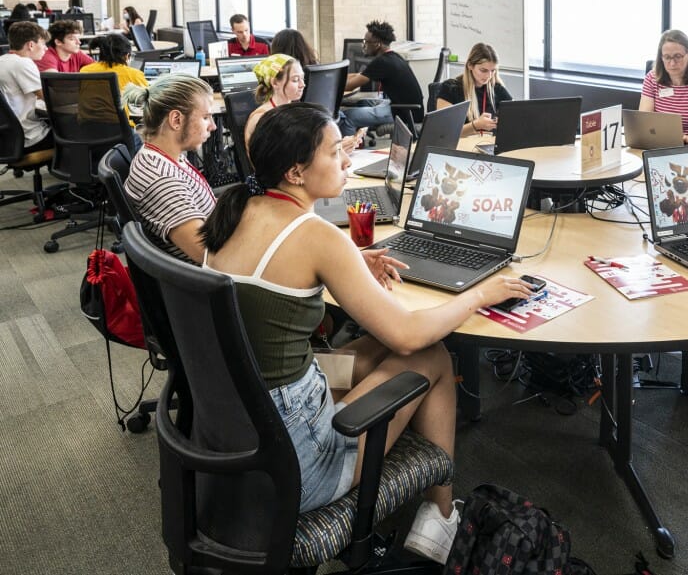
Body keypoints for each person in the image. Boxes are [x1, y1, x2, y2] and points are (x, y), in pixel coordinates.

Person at [199, 102, 533, 563]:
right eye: (335, 152)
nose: (347, 160)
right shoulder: (316, 235)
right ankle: (440, 519)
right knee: (432, 355)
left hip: (240, 413)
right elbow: (408, 334)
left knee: (374, 347)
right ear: (296, 172)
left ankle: (436, 515)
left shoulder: (236, 208)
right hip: (294, 457)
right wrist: (478, 295)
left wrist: (355, 264)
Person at [123, 74, 217, 263]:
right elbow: (209, 256)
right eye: (206, 117)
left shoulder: (165, 156)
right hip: (208, 280)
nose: (213, 126)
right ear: (176, 120)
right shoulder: (162, 179)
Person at [342, 20, 423, 135]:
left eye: (366, 41)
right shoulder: (392, 56)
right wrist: (337, 75)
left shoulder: (382, 62)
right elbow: (359, 75)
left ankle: (349, 149)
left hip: (402, 112)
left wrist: (329, 86)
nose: (364, 45)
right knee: (362, 103)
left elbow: (350, 86)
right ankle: (360, 140)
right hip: (406, 108)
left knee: (348, 116)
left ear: (377, 44)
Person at [436, 42, 512, 137]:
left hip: (486, 144)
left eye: (492, 71)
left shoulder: (496, 88)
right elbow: (445, 132)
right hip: (460, 146)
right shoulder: (450, 88)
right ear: (470, 65)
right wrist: (475, 125)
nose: (488, 76)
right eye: (483, 70)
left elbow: (514, 118)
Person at [0, 21, 52, 152]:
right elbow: (49, 98)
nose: (46, 48)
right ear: (31, 45)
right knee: (80, 132)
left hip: (7, 139)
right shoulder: (23, 63)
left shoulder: (3, 60)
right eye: (43, 44)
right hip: (29, 138)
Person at [245, 53, 305, 149]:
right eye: (295, 80)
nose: (302, 84)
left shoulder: (295, 109)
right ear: (275, 82)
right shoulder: (261, 118)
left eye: (302, 78)